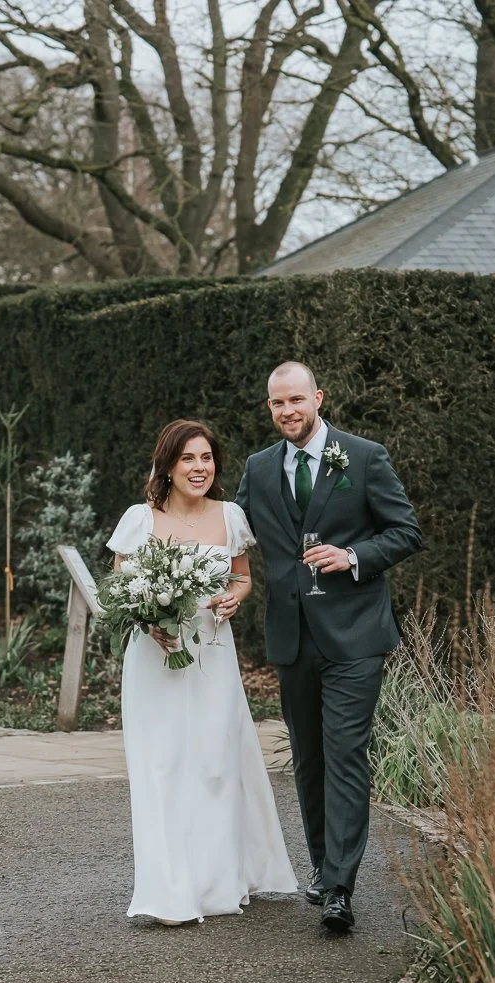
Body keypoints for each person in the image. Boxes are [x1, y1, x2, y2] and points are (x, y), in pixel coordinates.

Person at [234, 363, 423, 932]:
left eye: (296, 400)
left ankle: (340, 887)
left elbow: (406, 531)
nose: (287, 411)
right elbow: (233, 534)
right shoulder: (259, 469)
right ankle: (322, 868)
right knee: (309, 758)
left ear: (317, 398)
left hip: (355, 635)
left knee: (344, 755)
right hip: (292, 638)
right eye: (276, 404)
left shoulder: (363, 456)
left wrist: (354, 558)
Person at [107, 419, 298, 925]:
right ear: (167, 465)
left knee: (215, 764)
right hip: (155, 661)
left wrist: (234, 599)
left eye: (206, 458)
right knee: (162, 767)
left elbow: (241, 578)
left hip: (213, 652)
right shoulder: (139, 519)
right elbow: (119, 585)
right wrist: (149, 621)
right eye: (188, 459)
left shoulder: (230, 516)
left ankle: (217, 886)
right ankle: (169, 892)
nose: (199, 468)